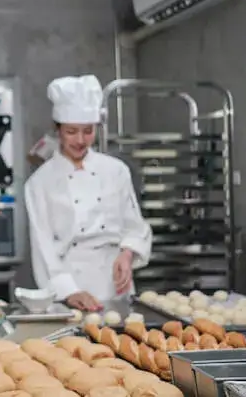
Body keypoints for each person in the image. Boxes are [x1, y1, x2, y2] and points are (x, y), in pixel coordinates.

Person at [25, 75, 152, 313]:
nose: (81, 140)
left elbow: (135, 226)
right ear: (58, 130)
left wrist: (127, 254)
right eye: (72, 132)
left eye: (88, 131)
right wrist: (70, 291)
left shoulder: (116, 171)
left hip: (117, 288)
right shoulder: (40, 182)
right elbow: (43, 247)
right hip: (69, 288)